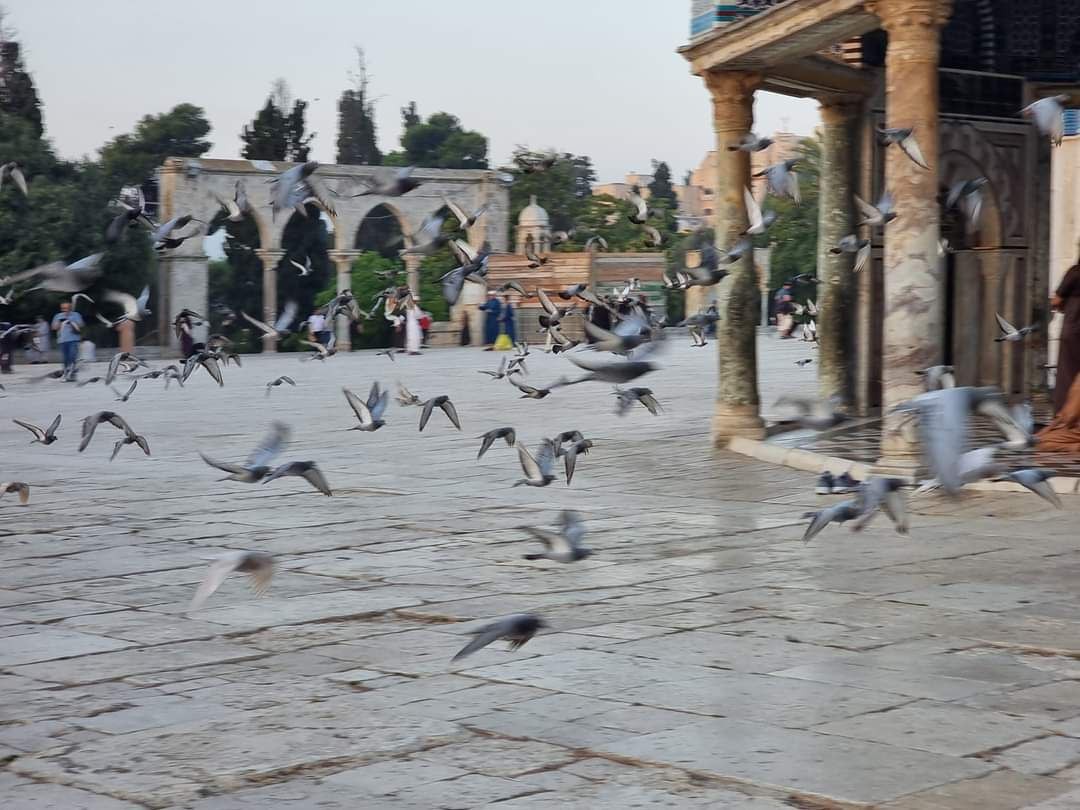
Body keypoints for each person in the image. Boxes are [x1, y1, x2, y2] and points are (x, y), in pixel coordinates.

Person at [1052, 249, 1080, 414]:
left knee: (1067, 373)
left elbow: (1056, 301)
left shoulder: (1075, 272)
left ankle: (1064, 412)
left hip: (1073, 328)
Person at [51, 300, 84, 381]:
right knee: (65, 358)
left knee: (72, 356)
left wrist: (72, 322)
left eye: (67, 308)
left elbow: (81, 325)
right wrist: (60, 323)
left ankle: (72, 373)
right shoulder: (58, 316)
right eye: (63, 308)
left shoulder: (76, 315)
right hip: (62, 340)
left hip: (73, 339)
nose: (65, 310)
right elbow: (53, 327)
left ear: (70, 308)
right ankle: (66, 373)